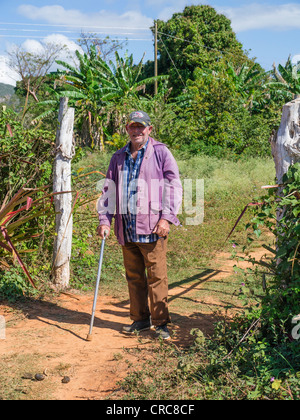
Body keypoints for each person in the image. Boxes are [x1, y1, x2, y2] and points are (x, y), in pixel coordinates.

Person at [97, 111, 182, 340]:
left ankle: (161, 323)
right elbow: (109, 190)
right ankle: (140, 319)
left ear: (149, 129)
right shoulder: (118, 157)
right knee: (134, 276)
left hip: (153, 227)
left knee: (157, 277)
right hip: (126, 229)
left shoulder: (160, 152)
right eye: (132, 127)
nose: (136, 131)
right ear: (127, 129)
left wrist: (166, 218)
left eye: (141, 127)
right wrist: (105, 221)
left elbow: (173, 186)